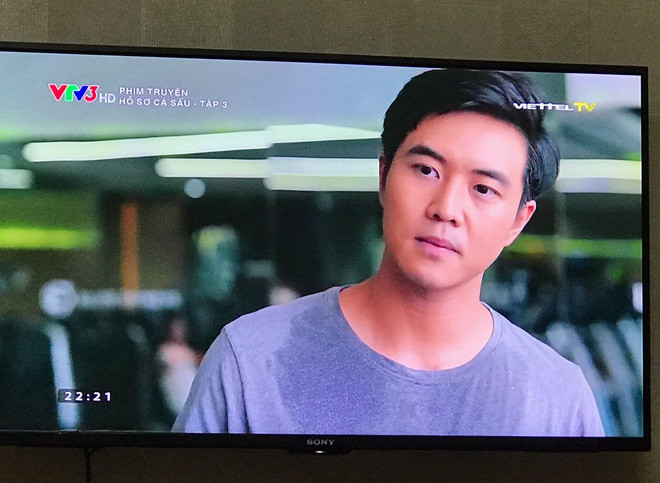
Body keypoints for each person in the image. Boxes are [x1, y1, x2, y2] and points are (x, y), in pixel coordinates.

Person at [172, 69, 604, 436]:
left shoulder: (557, 397)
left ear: (517, 222)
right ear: (383, 175)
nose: (446, 209)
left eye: (484, 189)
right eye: (426, 170)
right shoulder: (249, 360)